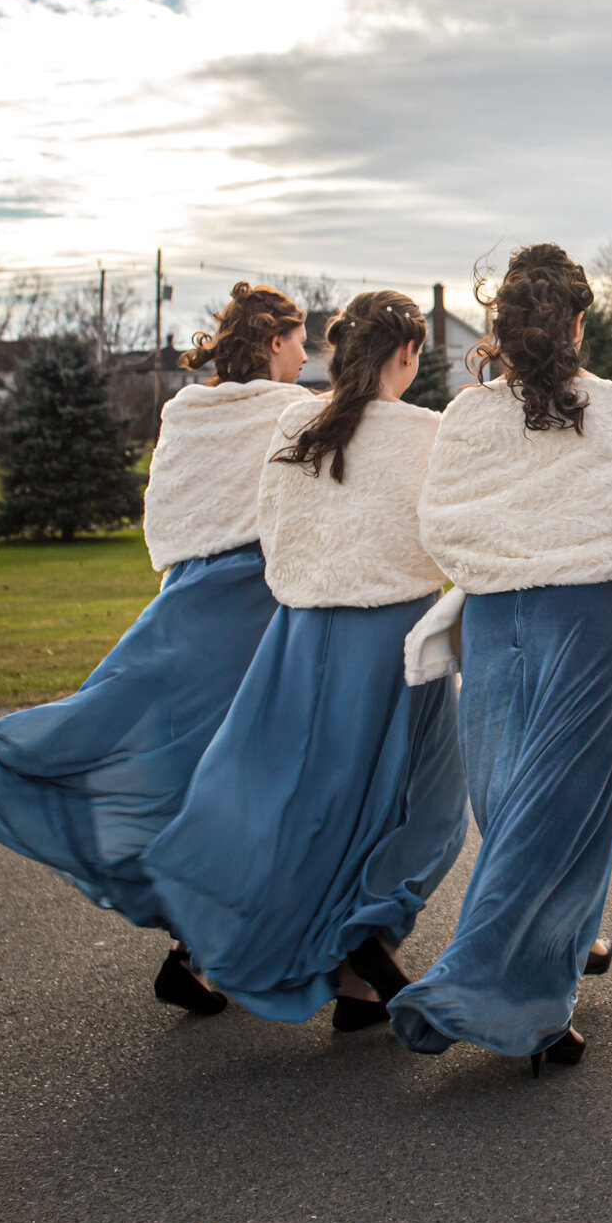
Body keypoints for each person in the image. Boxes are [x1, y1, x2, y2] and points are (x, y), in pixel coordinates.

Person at [0, 283, 312, 1016]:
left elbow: (175, 504)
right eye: (302, 339)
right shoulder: (288, 412)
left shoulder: (186, 412)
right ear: (274, 342)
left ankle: (200, 953)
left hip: (184, 600)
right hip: (244, 606)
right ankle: (227, 950)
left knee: (194, 772)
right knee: (251, 775)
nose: (308, 354)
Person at [142, 291, 467, 1032]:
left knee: (296, 805)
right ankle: (364, 947)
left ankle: (216, 949)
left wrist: (310, 589)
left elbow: (273, 524)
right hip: (395, 640)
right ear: (406, 355)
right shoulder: (427, 432)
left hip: (300, 636)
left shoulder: (298, 420)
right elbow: (443, 535)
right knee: (427, 803)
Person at [387, 245, 612, 1075]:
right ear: (579, 323)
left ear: (500, 328)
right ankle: (484, 980)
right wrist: (566, 543)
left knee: (519, 798)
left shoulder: (468, 415)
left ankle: (550, 968)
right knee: (554, 805)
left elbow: (440, 527)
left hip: (497, 614)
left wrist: (512, 549)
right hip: (579, 618)